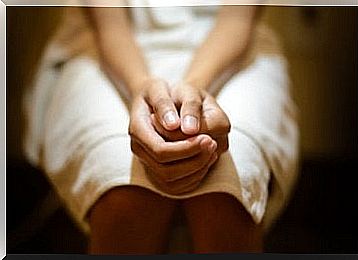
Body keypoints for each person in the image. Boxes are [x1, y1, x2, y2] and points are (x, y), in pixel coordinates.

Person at [23, 0, 299, 254]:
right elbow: (110, 24)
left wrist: (194, 89)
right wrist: (141, 86)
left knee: (226, 191)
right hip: (105, 45)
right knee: (123, 191)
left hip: (231, 49)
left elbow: (237, 19)